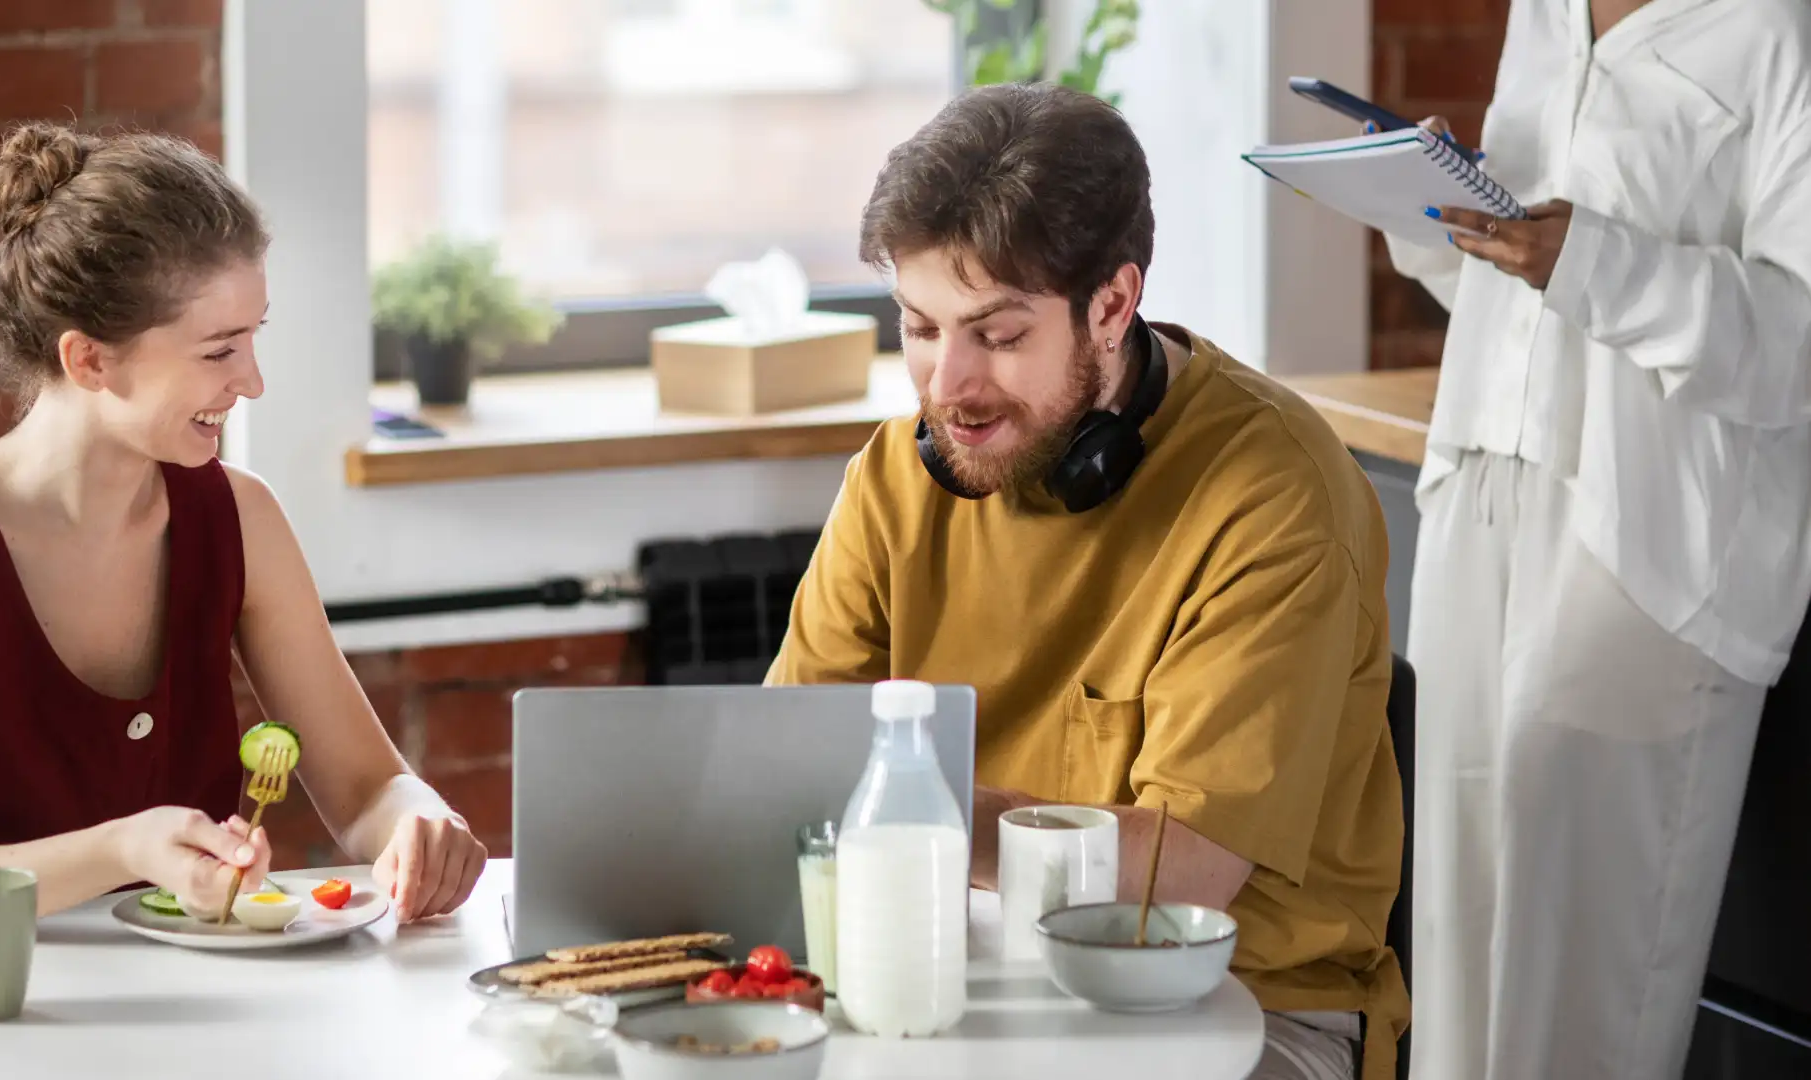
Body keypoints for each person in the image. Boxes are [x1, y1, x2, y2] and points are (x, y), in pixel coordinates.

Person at [0, 123, 488, 1079]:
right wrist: (125, 849)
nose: (252, 382)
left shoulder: (240, 518)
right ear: (90, 361)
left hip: (152, 1022)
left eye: (254, 339)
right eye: (218, 351)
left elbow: (365, 788)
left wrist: (417, 824)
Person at [766, 82, 1409, 1080]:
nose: (947, 388)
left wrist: (905, 808)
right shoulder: (895, 476)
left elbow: (1185, 870)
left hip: (1243, 1001)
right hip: (966, 968)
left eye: (997, 335)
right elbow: (783, 767)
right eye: (921, 328)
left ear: (1111, 306)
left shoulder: (1276, 494)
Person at [1374, 2, 1811, 1077]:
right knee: (1451, 963)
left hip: (1649, 540)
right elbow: (1530, 273)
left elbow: (1796, 338)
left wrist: (1594, 263)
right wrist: (1436, 215)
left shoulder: (1774, 31)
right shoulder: (1544, 13)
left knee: (1575, 1001)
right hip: (1481, 484)